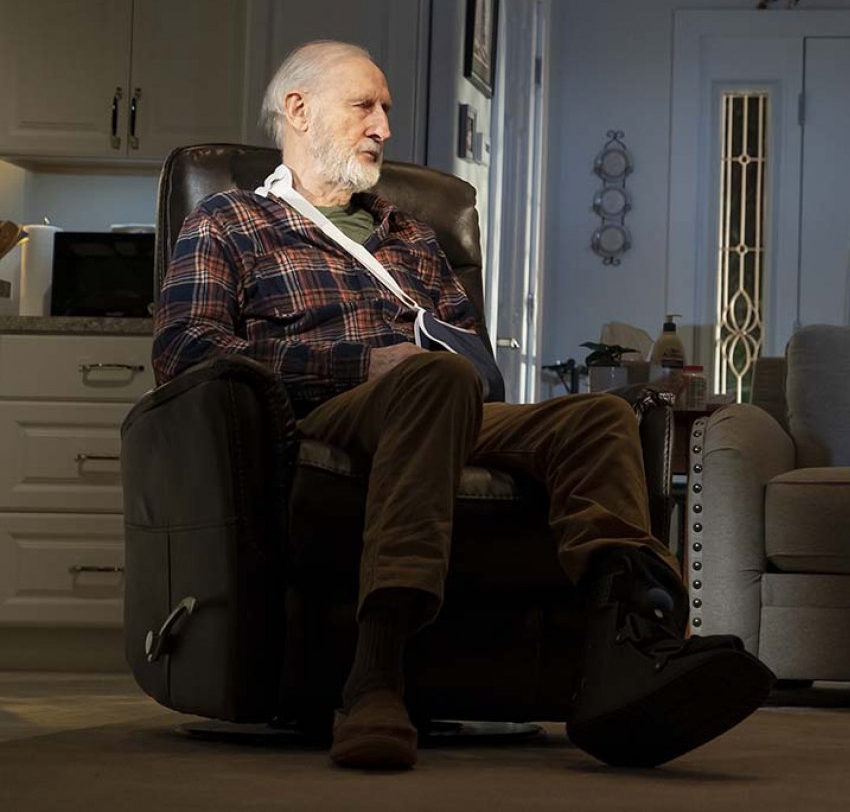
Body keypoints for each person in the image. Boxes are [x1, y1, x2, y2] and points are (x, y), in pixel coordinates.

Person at [152, 41, 774, 771]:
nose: (384, 126)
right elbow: (185, 349)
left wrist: (453, 371)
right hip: (323, 416)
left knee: (600, 417)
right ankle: (376, 673)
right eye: (364, 106)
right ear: (298, 109)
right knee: (432, 380)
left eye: (386, 109)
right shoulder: (229, 221)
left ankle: (629, 650)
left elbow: (474, 363)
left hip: (442, 405)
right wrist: (360, 363)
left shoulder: (411, 235)